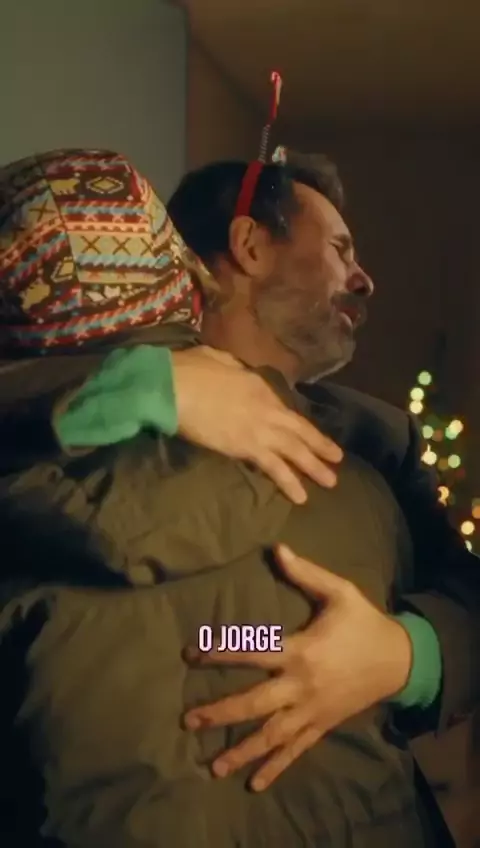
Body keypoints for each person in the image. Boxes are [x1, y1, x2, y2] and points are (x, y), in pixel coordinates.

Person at [0, 149, 473, 846]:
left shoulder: (376, 443)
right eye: (340, 248)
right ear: (248, 245)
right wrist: (147, 382)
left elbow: (469, 602)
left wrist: (403, 653)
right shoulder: (42, 421)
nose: (365, 278)